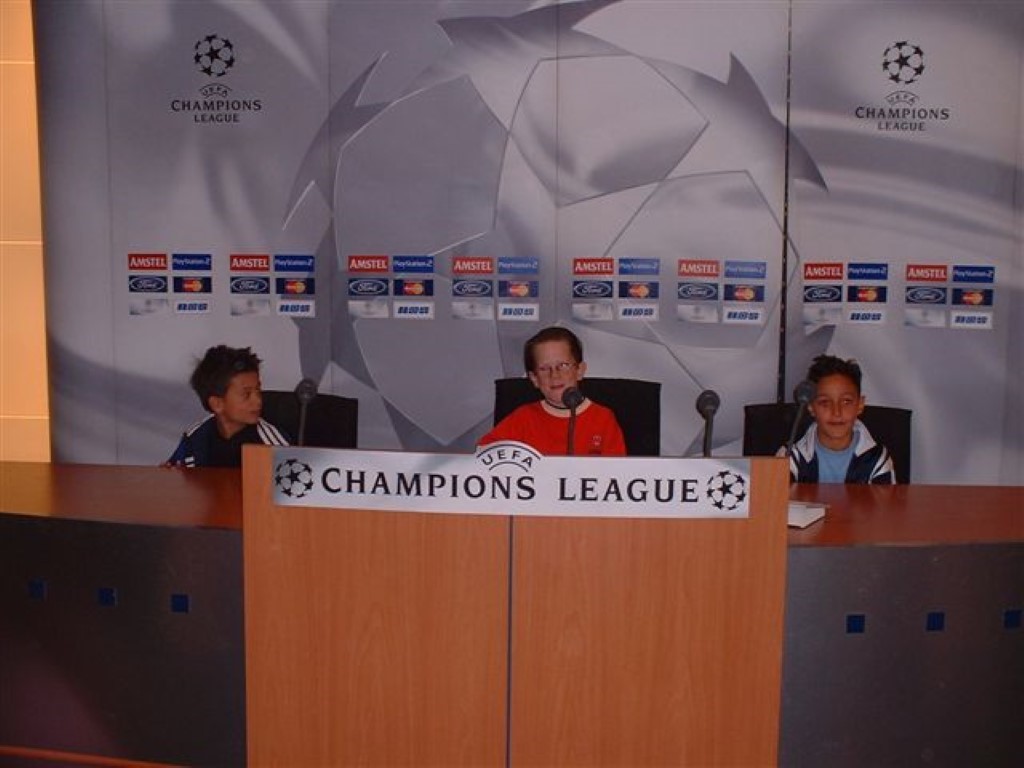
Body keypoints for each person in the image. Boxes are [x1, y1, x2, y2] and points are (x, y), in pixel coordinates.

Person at [478, 326, 626, 456]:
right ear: (534, 379)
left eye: (563, 365)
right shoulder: (523, 419)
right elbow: (484, 455)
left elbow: (617, 471)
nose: (554, 375)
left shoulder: (603, 419)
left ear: (579, 370)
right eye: (544, 368)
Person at [165, 345, 289, 468]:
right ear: (217, 404)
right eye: (246, 394)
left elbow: (290, 475)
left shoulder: (273, 445)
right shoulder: (195, 438)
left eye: (258, 390)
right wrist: (169, 471)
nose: (258, 401)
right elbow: (177, 472)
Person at [788, 354, 895, 484]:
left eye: (846, 401)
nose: (836, 412)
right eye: (825, 402)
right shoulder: (789, 458)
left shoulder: (877, 459)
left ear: (860, 405)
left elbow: (886, 498)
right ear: (811, 407)